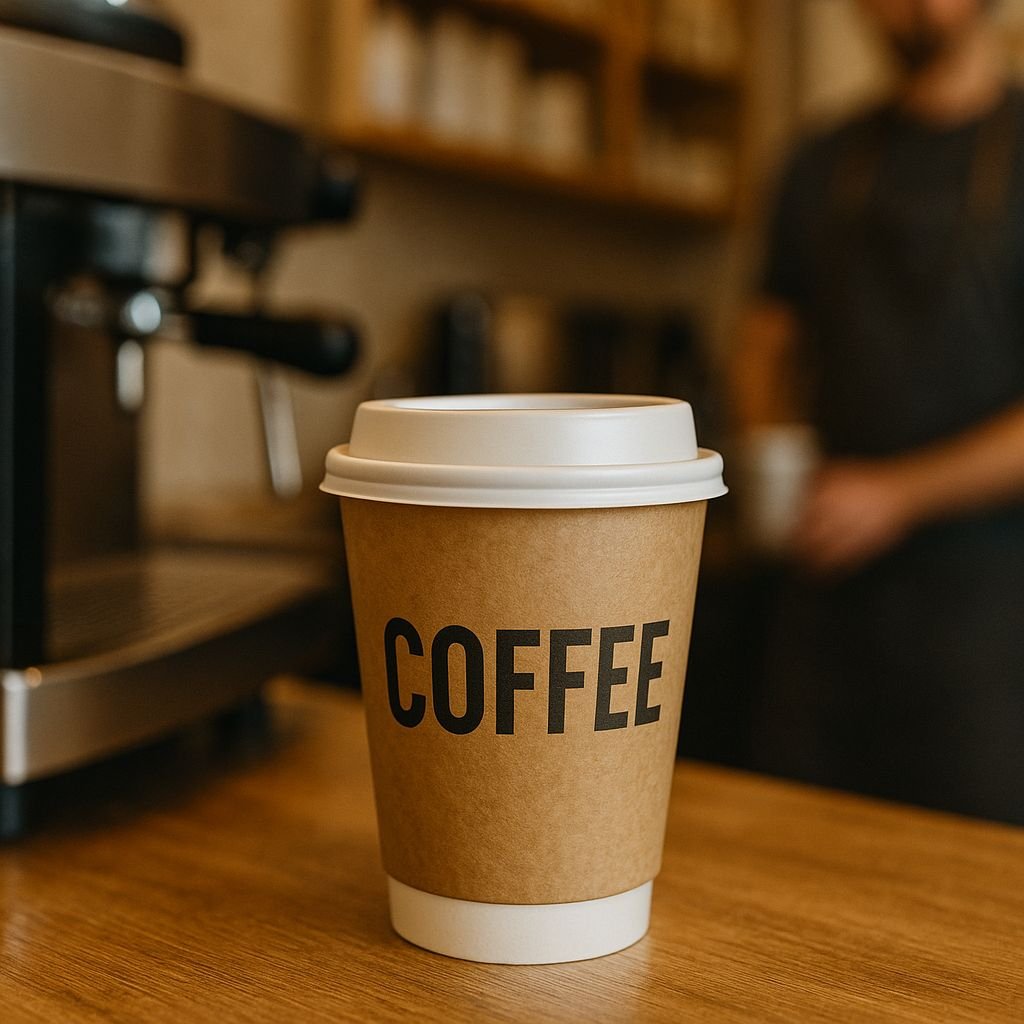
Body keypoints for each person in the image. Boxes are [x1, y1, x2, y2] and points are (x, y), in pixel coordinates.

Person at [731, 0, 1024, 823]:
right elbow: (765, 338)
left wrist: (899, 494)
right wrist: (768, 456)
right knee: (795, 855)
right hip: (825, 605)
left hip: (987, 618)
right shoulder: (820, 161)